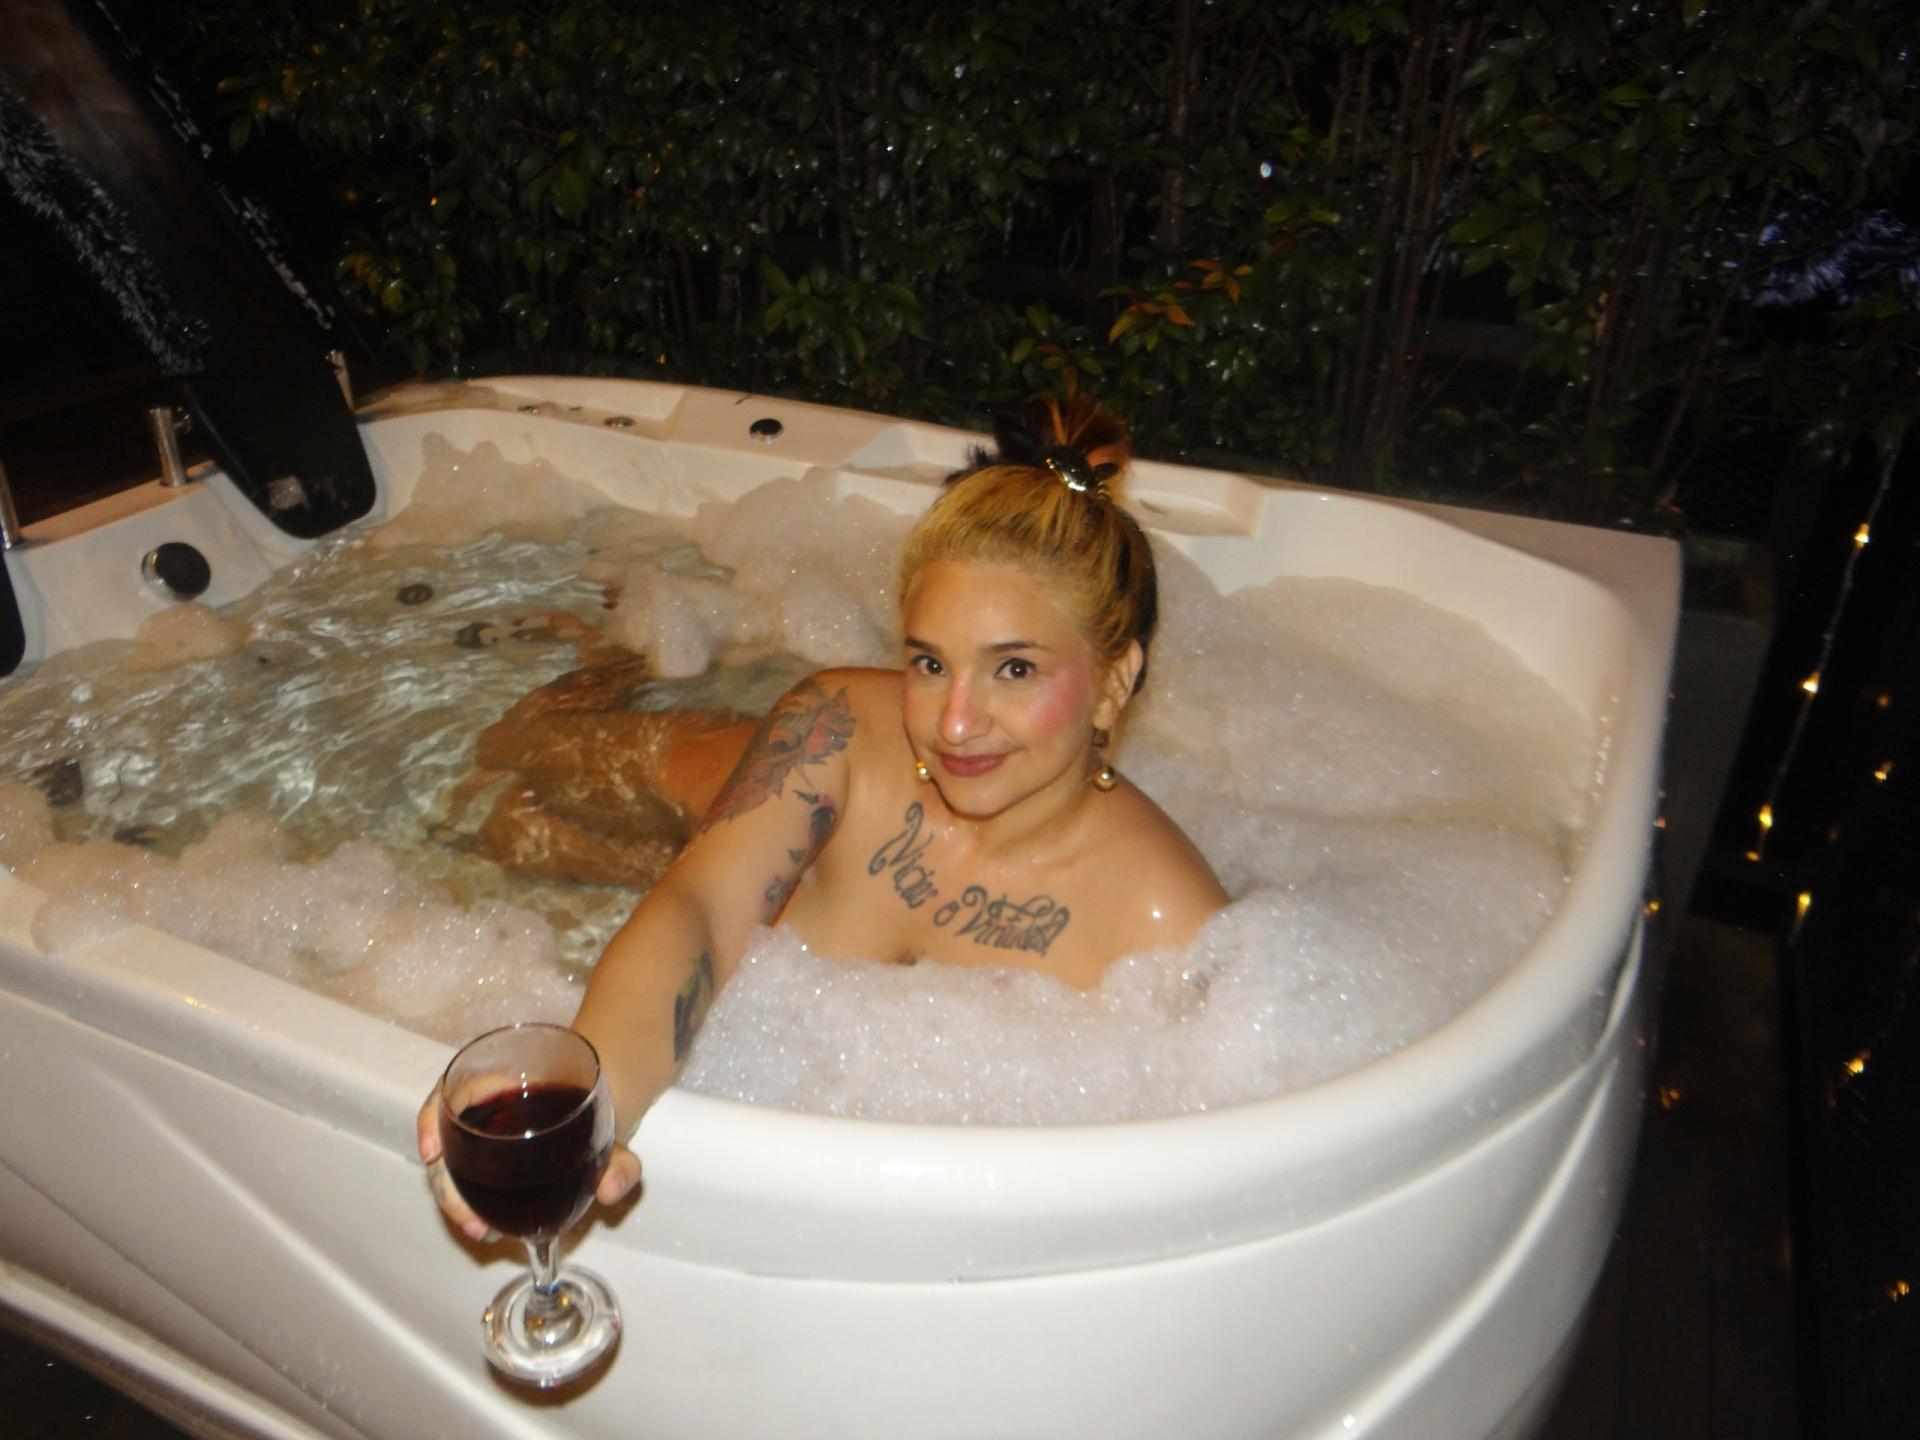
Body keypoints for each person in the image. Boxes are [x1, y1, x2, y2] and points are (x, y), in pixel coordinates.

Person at [419, 393, 1228, 1238]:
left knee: (509, 831)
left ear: (1115, 681)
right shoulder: (835, 729)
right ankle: (605, 658)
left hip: (782, 858)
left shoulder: (1169, 931)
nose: (955, 723)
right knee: (515, 745)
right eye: (929, 664)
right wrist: (592, 1098)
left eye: (1014, 670)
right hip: (762, 790)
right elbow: (704, 909)